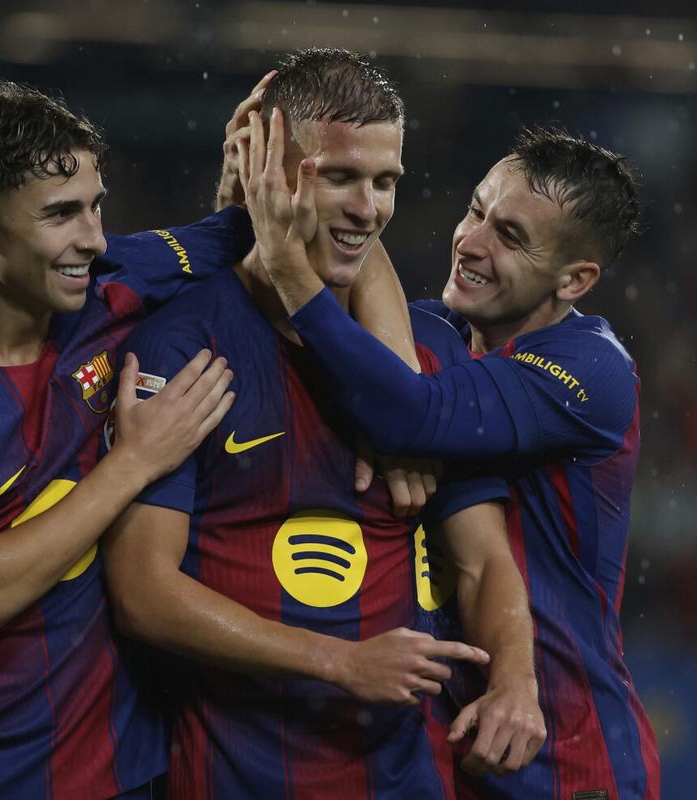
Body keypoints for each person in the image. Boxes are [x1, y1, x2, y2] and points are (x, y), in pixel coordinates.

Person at [101, 48, 544, 798]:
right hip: (239, 776)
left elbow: (482, 561)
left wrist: (516, 681)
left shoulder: (428, 353)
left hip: (405, 778)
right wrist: (338, 661)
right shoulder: (183, 346)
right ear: (269, 172)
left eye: (385, 181)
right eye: (339, 177)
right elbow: (143, 592)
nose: (368, 208)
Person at [0, 80, 251, 799]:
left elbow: (254, 234)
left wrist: (252, 169)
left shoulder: (115, 278)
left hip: (120, 776)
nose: (93, 238)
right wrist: (135, 462)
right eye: (61, 214)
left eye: (96, 205)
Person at [245, 125, 662, 799]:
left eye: (511, 237)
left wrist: (304, 254)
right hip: (443, 746)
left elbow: (410, 411)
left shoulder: (593, 371)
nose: (470, 242)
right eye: (476, 211)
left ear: (576, 279)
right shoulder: (425, 335)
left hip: (564, 752)